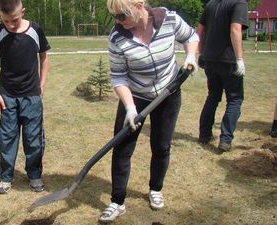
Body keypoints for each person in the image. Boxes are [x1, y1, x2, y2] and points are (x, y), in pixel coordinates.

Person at [100, 0, 198, 222]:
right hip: (135, 97)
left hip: (169, 94)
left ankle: (156, 189)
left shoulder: (169, 19)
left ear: (139, 5)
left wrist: (191, 56)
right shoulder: (117, 37)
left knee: (161, 145)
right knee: (122, 148)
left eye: (122, 15)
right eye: (115, 16)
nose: (118, 21)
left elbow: (191, 37)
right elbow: (118, 76)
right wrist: (130, 107)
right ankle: (117, 201)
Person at [0, 0, 50, 194]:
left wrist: (42, 84)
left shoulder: (35, 30)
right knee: (7, 137)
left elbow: (44, 57)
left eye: (14, 20)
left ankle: (35, 175)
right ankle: (6, 177)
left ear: (22, 11)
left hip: (31, 96)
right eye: (5, 21)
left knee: (33, 138)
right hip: (7, 96)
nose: (10, 24)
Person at [197, 0, 248, 151]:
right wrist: (239, 59)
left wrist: (202, 53)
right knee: (235, 98)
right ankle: (225, 140)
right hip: (228, 59)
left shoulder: (211, 4)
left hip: (210, 59)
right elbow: (235, 29)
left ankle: (204, 135)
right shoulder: (240, 3)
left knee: (213, 96)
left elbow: (199, 30)